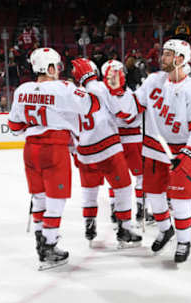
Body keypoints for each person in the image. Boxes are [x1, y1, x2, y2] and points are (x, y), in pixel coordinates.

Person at [106, 39, 191, 263]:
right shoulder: (153, 81)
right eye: (163, 53)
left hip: (182, 151)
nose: (162, 58)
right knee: (154, 196)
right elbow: (132, 108)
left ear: (181, 59)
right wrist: (118, 91)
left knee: (180, 200)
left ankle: (183, 241)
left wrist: (189, 151)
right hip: (154, 148)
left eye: (168, 54)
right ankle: (165, 229)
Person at [7, 48, 100, 270]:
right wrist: (89, 80)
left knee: (39, 198)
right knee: (56, 199)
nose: (58, 70)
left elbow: (14, 127)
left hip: (30, 149)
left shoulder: (22, 90)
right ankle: (49, 244)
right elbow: (93, 105)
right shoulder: (64, 88)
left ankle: (40, 239)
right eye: (56, 66)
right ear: (49, 68)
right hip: (54, 148)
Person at [71, 59, 142, 248]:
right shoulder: (100, 88)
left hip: (84, 150)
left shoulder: (69, 93)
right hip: (108, 145)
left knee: (89, 189)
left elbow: (67, 127)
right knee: (124, 186)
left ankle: (89, 223)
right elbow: (123, 113)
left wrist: (74, 151)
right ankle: (125, 227)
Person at [100, 60, 153, 226]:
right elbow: (128, 116)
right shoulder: (126, 94)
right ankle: (141, 210)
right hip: (131, 141)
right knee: (141, 176)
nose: (120, 75)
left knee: (116, 178)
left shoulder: (101, 94)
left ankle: (115, 210)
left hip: (112, 142)